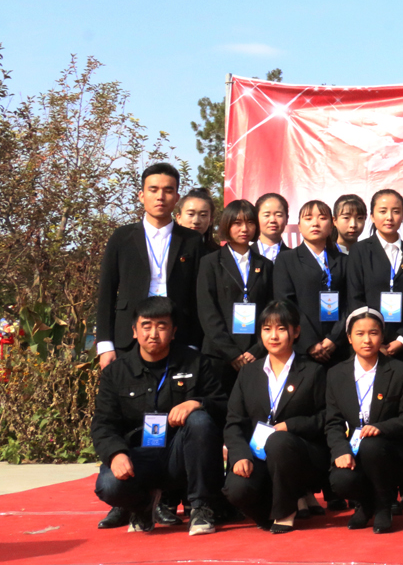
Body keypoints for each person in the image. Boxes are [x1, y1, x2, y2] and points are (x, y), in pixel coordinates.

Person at [91, 296, 226, 535]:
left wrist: (196, 402)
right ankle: (143, 506)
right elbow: (103, 424)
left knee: (199, 419)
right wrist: (115, 454)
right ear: (134, 331)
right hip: (138, 456)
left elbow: (223, 405)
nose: (153, 334)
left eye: (162, 326)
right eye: (146, 326)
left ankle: (201, 507)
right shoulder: (116, 373)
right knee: (109, 485)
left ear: (173, 332)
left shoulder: (195, 363)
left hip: (179, 455)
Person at [223, 299, 329, 532]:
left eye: (281, 329)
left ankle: (285, 511)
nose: (273, 336)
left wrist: (290, 426)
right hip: (258, 453)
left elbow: (326, 418)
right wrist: (240, 456)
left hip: (302, 455)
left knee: (279, 441)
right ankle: (273, 508)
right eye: (267, 329)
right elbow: (234, 422)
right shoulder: (248, 373)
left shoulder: (313, 371)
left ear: (296, 331)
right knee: (237, 490)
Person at [97, 163, 207, 370]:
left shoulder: (191, 240)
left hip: (178, 336)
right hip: (127, 338)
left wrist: (194, 342)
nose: (160, 197)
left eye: (168, 191)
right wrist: (105, 345)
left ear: (177, 197)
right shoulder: (122, 237)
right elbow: (106, 292)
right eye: (153, 190)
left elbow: (198, 296)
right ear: (141, 195)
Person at [326, 307, 403, 533]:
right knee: (340, 480)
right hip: (355, 451)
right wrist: (340, 450)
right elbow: (333, 422)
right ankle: (366, 504)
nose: (367, 340)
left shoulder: (399, 370)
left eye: (373, 333)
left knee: (371, 445)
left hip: (391, 451)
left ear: (382, 336)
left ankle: (383, 506)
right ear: (349, 338)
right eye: (359, 334)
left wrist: (380, 428)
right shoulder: (336, 374)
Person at [197, 199, 273, 393]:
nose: (244, 229)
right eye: (237, 223)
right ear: (226, 225)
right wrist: (232, 354)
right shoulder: (210, 263)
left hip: (256, 355)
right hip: (218, 356)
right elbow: (208, 312)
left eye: (250, 222)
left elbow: (271, 309)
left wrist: (257, 349)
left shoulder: (265, 265)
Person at [273, 200, 347, 365]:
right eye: (308, 218)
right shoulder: (286, 259)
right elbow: (285, 303)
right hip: (301, 349)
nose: (315, 223)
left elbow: (350, 303)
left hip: (338, 349)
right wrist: (310, 342)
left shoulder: (344, 261)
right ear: (299, 226)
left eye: (322, 218)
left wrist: (334, 339)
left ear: (332, 225)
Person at [345, 189, 403, 365]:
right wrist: (373, 338)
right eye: (383, 211)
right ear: (372, 216)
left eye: (396, 211)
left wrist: (402, 339)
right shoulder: (359, 250)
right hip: (368, 345)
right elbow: (355, 298)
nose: (389, 217)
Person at [255, 193, 290, 261]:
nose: (272, 220)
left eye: (279, 215)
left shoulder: (295, 258)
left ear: (287, 219)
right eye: (266, 215)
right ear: (256, 218)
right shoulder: (246, 255)